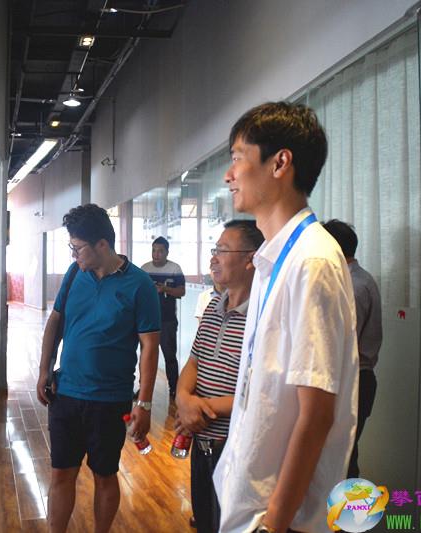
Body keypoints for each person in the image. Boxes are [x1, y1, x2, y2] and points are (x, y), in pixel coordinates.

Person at [214, 102, 359, 533]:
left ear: (280, 163)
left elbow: (316, 415)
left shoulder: (312, 260)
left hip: (279, 519)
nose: (228, 175)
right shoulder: (273, 259)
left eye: (238, 157)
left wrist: (274, 523)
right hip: (249, 501)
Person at [36, 204, 161, 533]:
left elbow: (150, 347)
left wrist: (144, 403)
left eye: (78, 248)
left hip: (109, 400)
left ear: (102, 245)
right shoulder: (74, 274)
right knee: (61, 473)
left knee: (105, 475)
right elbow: (56, 321)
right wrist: (44, 369)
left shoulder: (140, 285)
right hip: (66, 394)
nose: (73, 254)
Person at [176, 219, 264, 533]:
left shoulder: (263, 317)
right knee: (204, 519)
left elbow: (261, 391)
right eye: (214, 250)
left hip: (236, 446)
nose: (213, 258)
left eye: (223, 250)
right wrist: (182, 399)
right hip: (201, 441)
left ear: (251, 259)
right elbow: (194, 361)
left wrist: (201, 409)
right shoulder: (214, 306)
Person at [322, 219, 382, 479]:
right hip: (351, 378)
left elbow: (341, 344)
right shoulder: (353, 280)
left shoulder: (352, 287)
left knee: (342, 458)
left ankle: (347, 506)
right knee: (341, 456)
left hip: (352, 380)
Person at [141, 236, 186, 398]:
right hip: (147, 321)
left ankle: (174, 389)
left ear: (167, 252)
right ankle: (143, 390)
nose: (156, 254)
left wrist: (165, 289)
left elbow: (181, 291)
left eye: (160, 251)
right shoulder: (144, 269)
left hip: (167, 320)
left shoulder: (175, 268)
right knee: (146, 356)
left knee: (169, 356)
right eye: (154, 250)